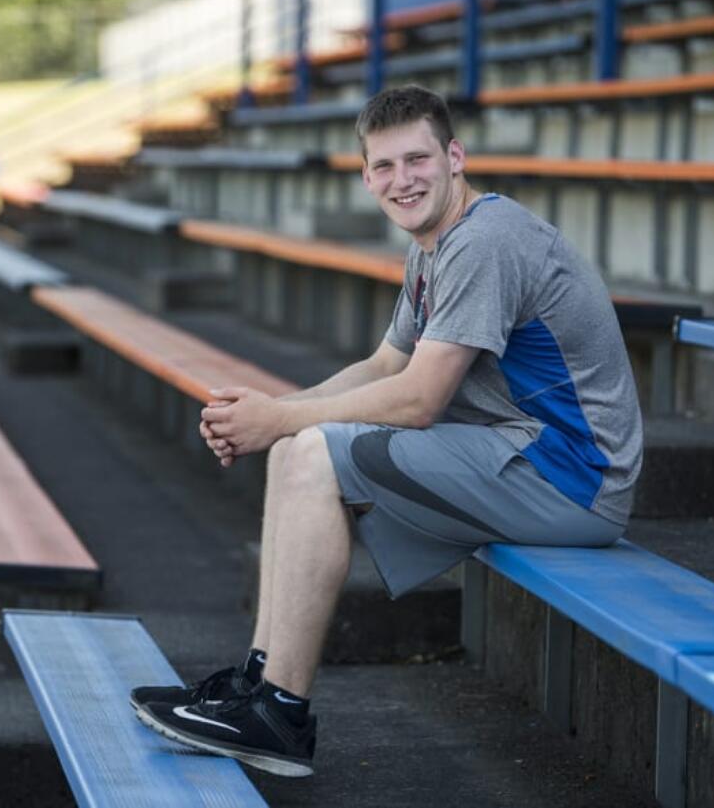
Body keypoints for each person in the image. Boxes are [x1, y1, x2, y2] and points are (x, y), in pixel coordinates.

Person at [132, 84, 643, 777]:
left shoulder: (483, 242)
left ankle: (281, 713)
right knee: (295, 445)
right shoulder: (432, 246)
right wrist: (266, 414)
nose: (403, 180)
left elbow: (420, 398)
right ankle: (257, 683)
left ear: (455, 156)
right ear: (366, 175)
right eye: (385, 166)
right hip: (517, 454)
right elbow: (383, 365)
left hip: (574, 477)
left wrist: (280, 419)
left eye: (418, 160)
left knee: (310, 448)